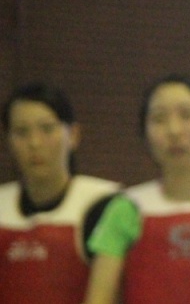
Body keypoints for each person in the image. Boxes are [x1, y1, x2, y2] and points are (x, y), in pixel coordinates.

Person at [84, 73, 190, 304]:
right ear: (145, 134)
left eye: (186, 115)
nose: (174, 130)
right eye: (159, 118)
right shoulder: (126, 207)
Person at [0, 82, 120, 304]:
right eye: (21, 132)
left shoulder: (105, 205)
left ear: (73, 135)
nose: (34, 143)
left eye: (46, 129)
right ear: (8, 140)